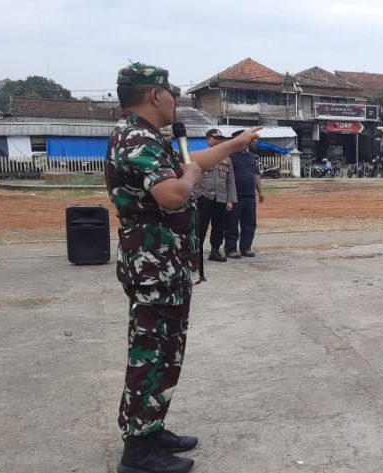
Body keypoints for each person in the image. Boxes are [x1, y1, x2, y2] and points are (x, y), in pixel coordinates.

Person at [105, 62, 260, 473]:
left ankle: (150, 428)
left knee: (164, 351)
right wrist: (190, 175)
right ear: (155, 95)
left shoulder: (145, 137)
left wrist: (235, 144)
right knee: (152, 353)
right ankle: (137, 451)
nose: (174, 101)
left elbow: (193, 162)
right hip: (153, 264)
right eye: (171, 94)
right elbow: (173, 193)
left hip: (163, 263)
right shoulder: (137, 138)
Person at [194, 129, 237, 263]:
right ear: (208, 140)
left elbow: (230, 181)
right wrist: (197, 195)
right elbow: (193, 177)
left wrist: (230, 199)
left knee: (219, 226)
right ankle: (196, 252)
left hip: (221, 197)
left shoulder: (227, 159)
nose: (218, 141)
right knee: (200, 226)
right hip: (204, 196)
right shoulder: (201, 157)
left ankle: (215, 251)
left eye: (220, 139)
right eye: (215, 138)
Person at [225, 130, 264, 259]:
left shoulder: (251, 157)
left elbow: (256, 175)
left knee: (250, 223)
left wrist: (260, 192)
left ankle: (246, 247)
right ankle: (231, 249)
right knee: (231, 223)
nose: (250, 141)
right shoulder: (229, 156)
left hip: (249, 195)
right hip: (235, 195)